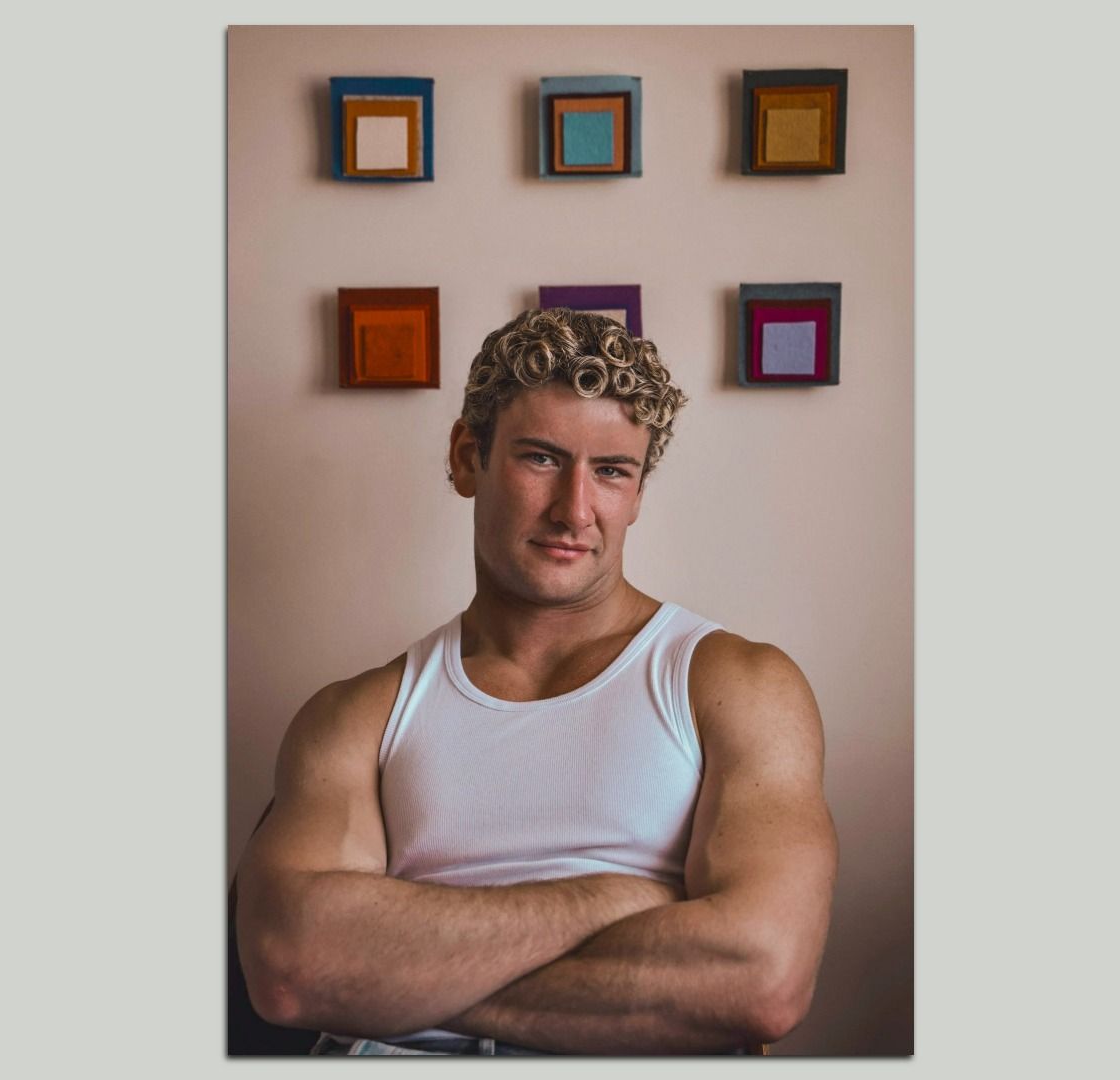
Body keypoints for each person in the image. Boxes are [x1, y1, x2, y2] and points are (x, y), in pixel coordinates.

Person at [233, 308, 838, 1055]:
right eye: (542, 459)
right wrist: (610, 900)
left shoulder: (737, 685)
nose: (574, 510)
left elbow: (762, 978)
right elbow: (292, 968)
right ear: (467, 459)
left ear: (638, 493)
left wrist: (402, 983)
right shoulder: (358, 715)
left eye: (611, 471)